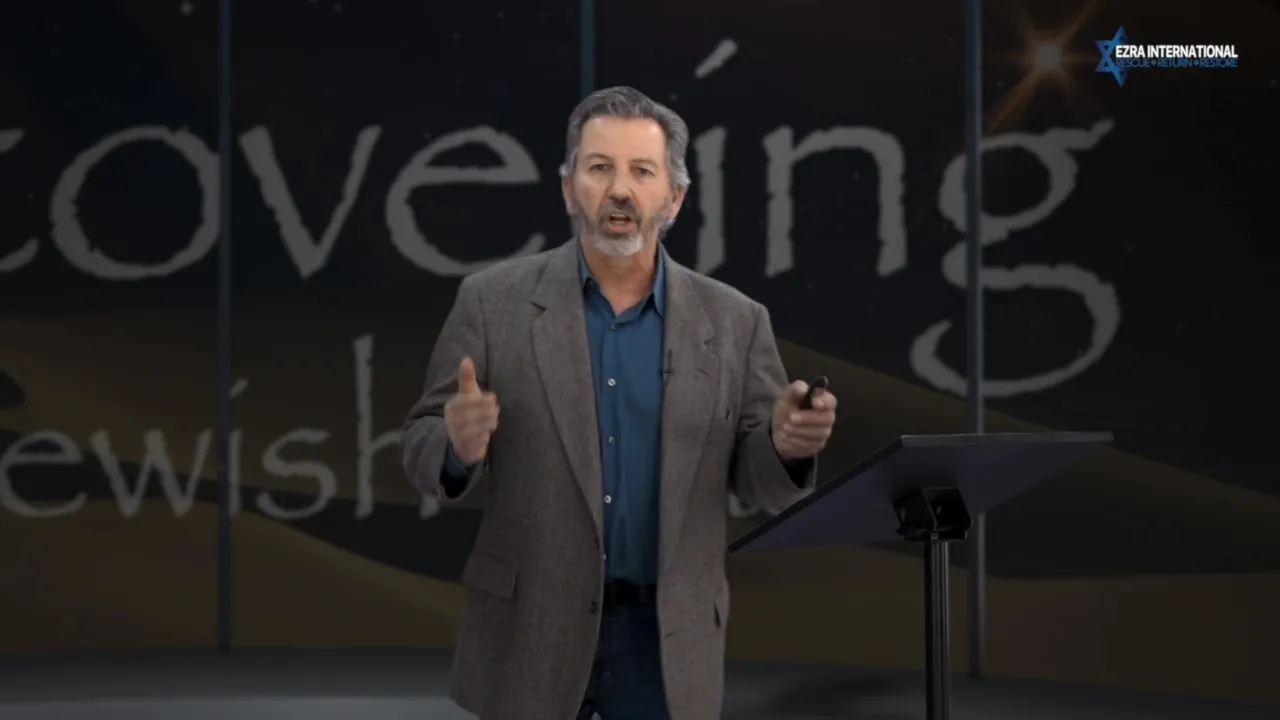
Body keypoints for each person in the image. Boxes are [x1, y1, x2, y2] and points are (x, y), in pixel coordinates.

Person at [401, 86, 838, 720]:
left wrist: (784, 446)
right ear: (568, 187)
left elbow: (759, 482)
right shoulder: (492, 303)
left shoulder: (736, 321)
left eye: (642, 171)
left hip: (665, 641)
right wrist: (455, 446)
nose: (620, 190)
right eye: (600, 167)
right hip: (531, 630)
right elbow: (420, 442)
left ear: (674, 197)